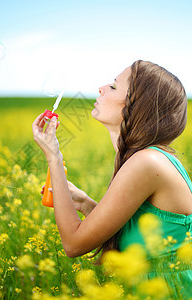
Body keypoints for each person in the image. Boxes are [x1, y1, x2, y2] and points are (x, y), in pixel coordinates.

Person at [32, 60, 192, 298]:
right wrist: (86, 204)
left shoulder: (147, 162)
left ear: (137, 106)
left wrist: (54, 156)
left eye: (114, 86)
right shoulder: (146, 158)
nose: (101, 88)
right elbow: (135, 240)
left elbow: (74, 244)